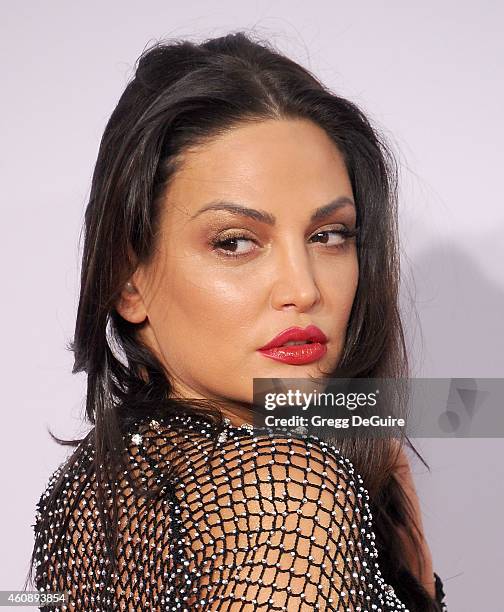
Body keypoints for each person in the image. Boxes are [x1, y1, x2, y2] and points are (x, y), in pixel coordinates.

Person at [27, 31, 448, 611]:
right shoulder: (283, 497)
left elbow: (464, 406)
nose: (304, 289)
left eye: (329, 236)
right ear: (128, 280)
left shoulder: (91, 487)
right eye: (235, 243)